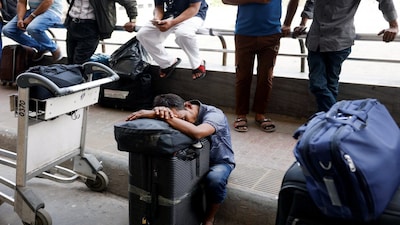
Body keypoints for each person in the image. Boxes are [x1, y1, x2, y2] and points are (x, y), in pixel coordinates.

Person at [126, 93, 235, 225]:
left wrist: (163, 117)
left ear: (188, 105)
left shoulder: (214, 115)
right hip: (192, 159)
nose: (183, 123)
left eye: (183, 118)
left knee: (215, 179)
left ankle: (209, 218)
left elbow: (197, 132)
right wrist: (160, 114)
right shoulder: (178, 112)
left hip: (218, 161)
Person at [291, 0, 398, 112]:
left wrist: (393, 25)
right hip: (315, 40)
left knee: (330, 85)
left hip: (339, 40)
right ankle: (334, 120)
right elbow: (311, 2)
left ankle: (328, 121)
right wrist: (303, 23)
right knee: (317, 84)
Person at [223, 0, 300, 133]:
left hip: (271, 34)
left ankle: (260, 114)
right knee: (243, 76)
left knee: (266, 77)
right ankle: (241, 114)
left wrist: (287, 23)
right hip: (244, 33)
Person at [135, 0, 208, 80]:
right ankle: (167, 62)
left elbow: (194, 8)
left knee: (183, 34)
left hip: (193, 14)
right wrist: (157, 19)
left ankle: (198, 63)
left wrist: (171, 23)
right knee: (143, 35)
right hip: (172, 13)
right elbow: (159, 7)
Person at [64, 0, 137, 65]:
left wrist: (132, 19)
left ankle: (78, 78)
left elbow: (129, 2)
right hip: (72, 23)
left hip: (90, 26)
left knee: (79, 62)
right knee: (71, 60)